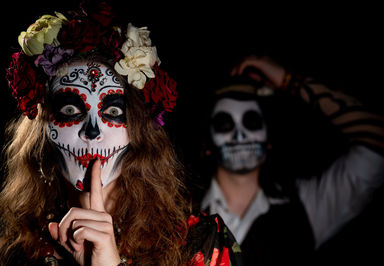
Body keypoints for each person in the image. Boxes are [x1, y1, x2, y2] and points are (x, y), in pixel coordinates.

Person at [0, 1, 242, 265]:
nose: (92, 132)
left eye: (113, 113)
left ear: (138, 132)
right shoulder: (16, 252)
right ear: (42, 132)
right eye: (70, 110)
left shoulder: (203, 243)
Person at [195, 55, 384, 264]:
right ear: (207, 144)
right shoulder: (181, 212)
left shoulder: (307, 207)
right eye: (225, 124)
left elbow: (381, 143)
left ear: (268, 137)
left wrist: (289, 81)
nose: (240, 136)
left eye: (251, 122)